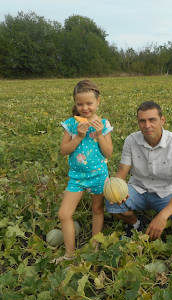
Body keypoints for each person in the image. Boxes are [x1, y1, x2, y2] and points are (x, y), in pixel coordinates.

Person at [106, 101, 172, 241]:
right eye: (142, 121)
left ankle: (164, 217)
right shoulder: (131, 141)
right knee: (110, 203)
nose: (147, 125)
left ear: (162, 120)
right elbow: (122, 172)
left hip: (166, 193)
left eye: (152, 120)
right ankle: (135, 223)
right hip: (138, 189)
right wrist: (115, 189)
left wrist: (163, 216)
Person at [57, 79, 113, 261]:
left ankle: (95, 245)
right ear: (75, 103)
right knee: (64, 214)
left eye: (89, 103)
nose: (85, 108)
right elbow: (63, 150)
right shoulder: (71, 124)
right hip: (77, 178)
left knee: (97, 209)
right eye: (80, 104)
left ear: (98, 101)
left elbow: (108, 153)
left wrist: (99, 133)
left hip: (98, 176)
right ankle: (70, 254)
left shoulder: (103, 124)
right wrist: (79, 135)